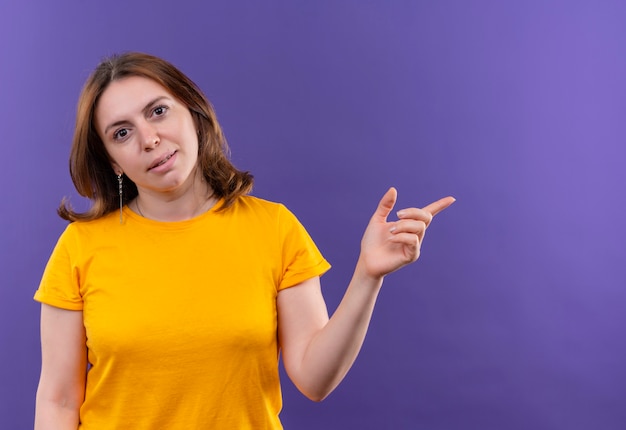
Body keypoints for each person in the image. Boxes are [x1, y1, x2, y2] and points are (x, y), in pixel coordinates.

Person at [33, 52, 455, 429]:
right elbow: (59, 399)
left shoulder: (273, 227)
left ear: (193, 112)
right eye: (121, 133)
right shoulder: (80, 246)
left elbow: (314, 378)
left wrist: (367, 274)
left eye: (158, 111)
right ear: (112, 161)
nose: (149, 139)